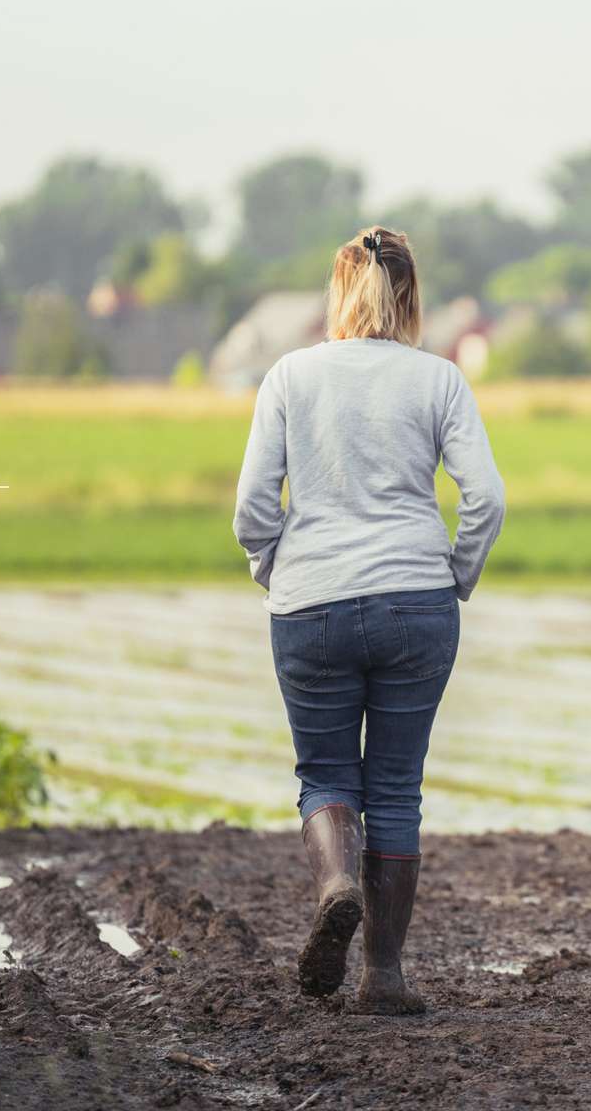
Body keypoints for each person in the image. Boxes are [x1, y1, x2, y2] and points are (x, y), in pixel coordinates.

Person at [233, 225, 506, 1015]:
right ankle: (383, 977)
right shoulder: (440, 381)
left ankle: (336, 881)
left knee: (325, 775)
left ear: (337, 293)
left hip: (310, 602)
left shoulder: (289, 376)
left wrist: (273, 568)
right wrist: (455, 573)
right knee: (396, 788)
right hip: (417, 602)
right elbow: (485, 497)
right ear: (412, 297)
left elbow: (253, 508)